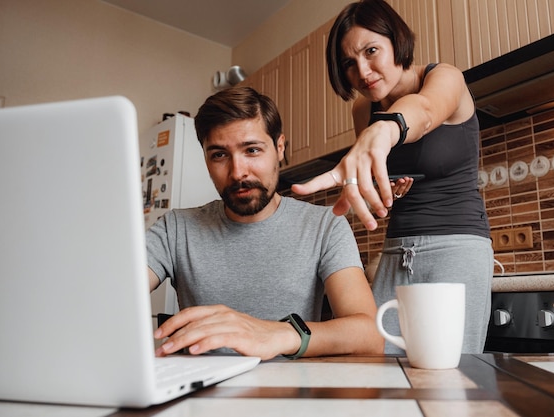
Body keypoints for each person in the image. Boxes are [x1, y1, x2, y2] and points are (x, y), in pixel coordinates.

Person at [292, 0, 493, 354]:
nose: (363, 71)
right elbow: (376, 174)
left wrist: (386, 128)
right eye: (349, 63)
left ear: (396, 41)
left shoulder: (445, 77)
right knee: (378, 362)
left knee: (447, 370)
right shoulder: (363, 107)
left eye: (372, 51)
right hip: (396, 250)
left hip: (458, 244)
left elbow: (426, 110)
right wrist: (388, 194)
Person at [147, 86, 384, 360]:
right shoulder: (175, 229)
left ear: (279, 147)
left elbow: (370, 336)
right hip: (198, 398)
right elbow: (112, 291)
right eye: (219, 155)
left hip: (289, 398)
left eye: (252, 150)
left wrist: (278, 333)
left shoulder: (325, 225)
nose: (238, 173)